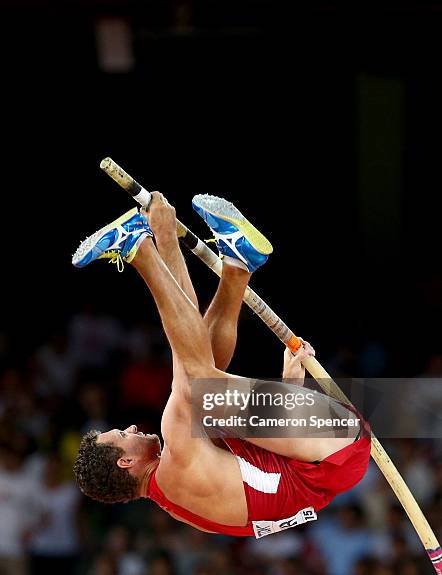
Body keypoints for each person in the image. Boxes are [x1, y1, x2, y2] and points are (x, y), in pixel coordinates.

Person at [72, 192, 370, 538]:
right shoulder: (176, 468)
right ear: (126, 463)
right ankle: (136, 249)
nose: (134, 428)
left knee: (201, 380)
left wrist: (290, 390)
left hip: (324, 453)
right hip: (327, 455)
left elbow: (196, 351)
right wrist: (160, 242)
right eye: (124, 435)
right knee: (196, 383)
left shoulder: (178, 498)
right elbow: (187, 364)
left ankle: (237, 268)